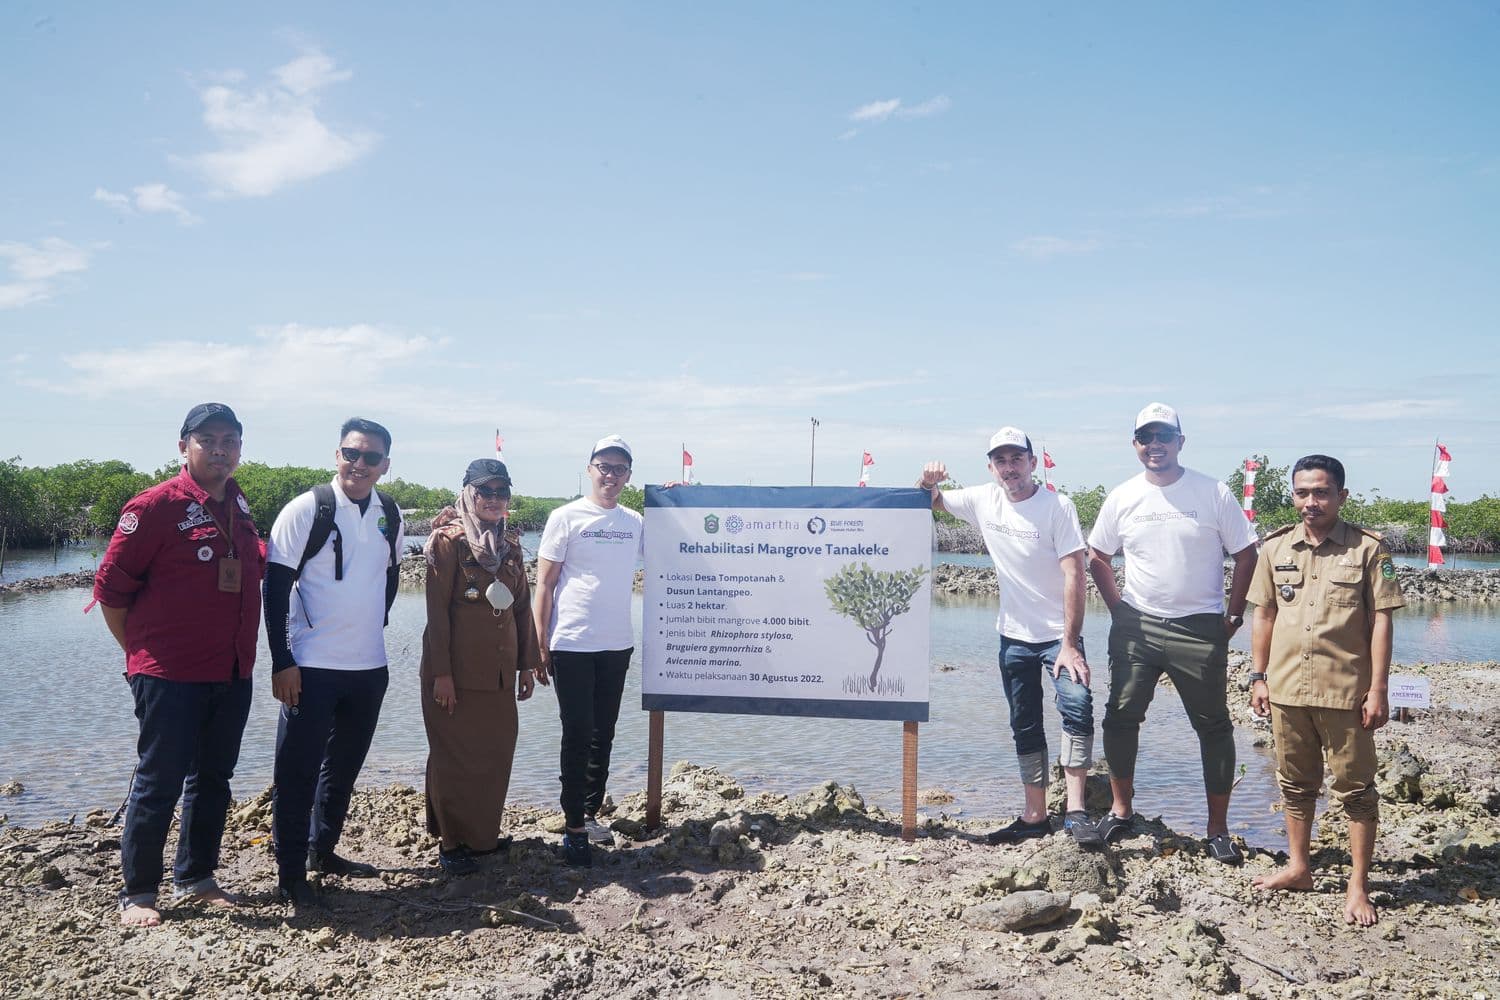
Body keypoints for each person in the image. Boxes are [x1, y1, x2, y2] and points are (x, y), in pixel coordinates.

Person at [93, 403, 265, 927]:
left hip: (232, 671)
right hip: (168, 674)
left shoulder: (238, 503)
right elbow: (111, 591)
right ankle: (139, 891)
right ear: (183, 445)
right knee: (159, 779)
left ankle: (196, 875)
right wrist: (141, 659)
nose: (220, 449)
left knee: (214, 777)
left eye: (230, 440)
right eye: (207, 439)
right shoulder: (154, 506)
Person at [1087, 402, 1258, 862]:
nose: (1155, 445)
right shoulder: (1122, 496)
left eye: (1164, 436)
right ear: (1135, 444)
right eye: (1146, 437)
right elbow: (1098, 555)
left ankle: (1217, 828)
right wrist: (1117, 608)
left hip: (1200, 627)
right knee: (1120, 717)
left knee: (1213, 726)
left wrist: (1234, 616)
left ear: (1181, 442)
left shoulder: (1212, 491)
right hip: (1136, 625)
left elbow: (1246, 553)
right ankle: (1121, 811)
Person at [919, 427, 1101, 848]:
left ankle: (1075, 812)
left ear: (1032, 463)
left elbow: (1076, 572)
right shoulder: (984, 498)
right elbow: (929, 500)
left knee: (1077, 706)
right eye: (1001, 460)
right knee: (1025, 724)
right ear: (991, 467)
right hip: (1013, 638)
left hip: (1058, 636)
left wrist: (1071, 643)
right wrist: (927, 480)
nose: (1009, 467)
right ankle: (1034, 815)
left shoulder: (1058, 506)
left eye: (1017, 458)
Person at [1248, 454, 1403, 925]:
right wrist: (1258, 677)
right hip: (1288, 690)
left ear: (1341, 495)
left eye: (1320, 492)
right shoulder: (1275, 549)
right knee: (1295, 785)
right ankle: (1299, 867)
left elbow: (1381, 620)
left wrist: (1379, 688)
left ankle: (1358, 885)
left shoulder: (1369, 550)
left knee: (1356, 790)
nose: (1310, 502)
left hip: (1345, 694)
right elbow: (1265, 615)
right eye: (1302, 492)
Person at [263, 417, 403, 908]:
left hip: (369, 667)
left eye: (371, 457)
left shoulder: (389, 511)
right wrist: (283, 661)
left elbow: (390, 576)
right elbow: (275, 588)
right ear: (336, 455)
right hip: (311, 667)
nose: (359, 465)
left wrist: (371, 626)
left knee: (342, 767)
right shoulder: (308, 509)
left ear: (385, 465)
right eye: (351, 453)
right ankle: (289, 874)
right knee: (297, 771)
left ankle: (322, 851)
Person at [420, 458, 542, 876]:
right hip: (453, 674)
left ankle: (484, 838)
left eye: (501, 492)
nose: (493, 499)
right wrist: (442, 675)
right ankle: (453, 844)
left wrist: (528, 666)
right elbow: (436, 614)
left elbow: (522, 609)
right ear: (468, 493)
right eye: (484, 491)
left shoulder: (510, 543)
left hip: (498, 673)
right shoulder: (447, 542)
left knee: (495, 753)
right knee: (454, 758)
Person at [533, 434, 644, 867]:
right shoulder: (565, 517)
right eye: (604, 466)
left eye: (619, 469)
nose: (610, 475)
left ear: (628, 476)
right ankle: (574, 824)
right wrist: (538, 641)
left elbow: (674, 546)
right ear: (589, 468)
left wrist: (676, 499)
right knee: (577, 731)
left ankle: (591, 812)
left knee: (605, 733)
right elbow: (543, 584)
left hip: (617, 643)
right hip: (571, 643)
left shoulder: (634, 521)